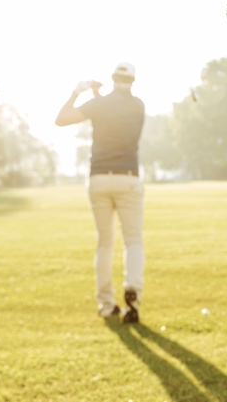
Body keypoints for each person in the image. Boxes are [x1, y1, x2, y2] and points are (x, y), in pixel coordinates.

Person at [55, 62, 146, 323]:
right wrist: (98, 97)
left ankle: (106, 304)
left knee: (105, 243)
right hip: (128, 179)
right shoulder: (138, 106)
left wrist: (78, 92)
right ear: (133, 81)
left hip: (99, 179)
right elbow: (114, 115)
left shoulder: (101, 104)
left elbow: (61, 119)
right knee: (133, 242)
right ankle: (133, 296)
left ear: (113, 78)